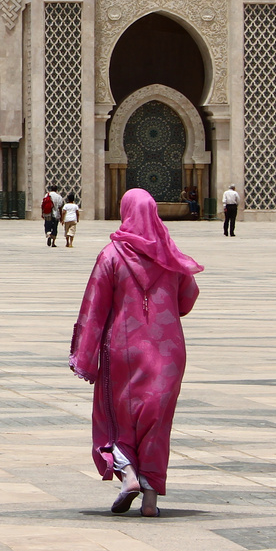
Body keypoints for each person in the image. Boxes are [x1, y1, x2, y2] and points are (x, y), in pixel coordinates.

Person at [71, 188, 202, 519]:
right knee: (157, 423)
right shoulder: (171, 257)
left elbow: (94, 309)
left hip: (123, 352)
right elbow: (187, 300)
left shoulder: (111, 256)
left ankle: (128, 475)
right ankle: (150, 500)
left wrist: (85, 356)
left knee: (115, 418)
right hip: (169, 353)